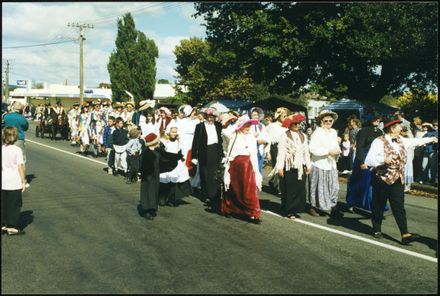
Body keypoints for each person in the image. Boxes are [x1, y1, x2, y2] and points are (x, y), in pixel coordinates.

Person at [365, 118, 437, 244]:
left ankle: (405, 234)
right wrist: (383, 160)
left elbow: (415, 141)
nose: (401, 128)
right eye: (399, 126)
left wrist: (431, 139)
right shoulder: (379, 141)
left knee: (399, 207)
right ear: (392, 128)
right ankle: (377, 228)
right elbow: (369, 160)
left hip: (397, 179)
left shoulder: (401, 140)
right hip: (382, 178)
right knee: (379, 204)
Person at [221, 115, 262, 224]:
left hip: (247, 166)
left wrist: (256, 169)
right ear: (241, 125)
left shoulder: (251, 137)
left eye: (249, 125)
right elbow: (224, 132)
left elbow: (253, 153)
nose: (248, 127)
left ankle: (252, 212)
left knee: (249, 189)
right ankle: (230, 208)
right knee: (233, 188)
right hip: (234, 164)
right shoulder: (233, 135)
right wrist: (232, 121)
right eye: (246, 125)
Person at [275, 114, 312, 219]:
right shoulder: (284, 135)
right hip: (289, 165)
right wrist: (280, 167)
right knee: (290, 187)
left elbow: (306, 152)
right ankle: (289, 210)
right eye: (294, 123)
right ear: (289, 125)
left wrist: (308, 165)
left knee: (300, 187)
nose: (297, 125)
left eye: (298, 123)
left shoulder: (303, 136)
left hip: (300, 164)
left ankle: (296, 208)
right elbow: (281, 152)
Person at [345, 114, 383, 212]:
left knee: (373, 184)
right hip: (364, 159)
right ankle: (352, 202)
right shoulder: (364, 130)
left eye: (378, 119)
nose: (377, 120)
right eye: (375, 118)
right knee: (360, 182)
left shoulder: (379, 132)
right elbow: (360, 147)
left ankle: (370, 205)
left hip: (375, 160)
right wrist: (362, 162)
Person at [309, 110, 343, 218]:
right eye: (326, 121)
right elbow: (312, 148)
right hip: (320, 163)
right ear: (321, 121)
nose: (328, 122)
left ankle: (333, 207)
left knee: (334, 187)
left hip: (331, 164)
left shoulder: (333, 132)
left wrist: (338, 151)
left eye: (330, 120)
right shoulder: (317, 132)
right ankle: (313, 207)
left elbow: (336, 146)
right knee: (318, 187)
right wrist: (327, 151)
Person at [191, 107, 223, 209]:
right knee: (204, 173)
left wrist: (222, 154)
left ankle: (214, 194)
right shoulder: (199, 126)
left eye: (212, 117)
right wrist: (194, 156)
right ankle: (206, 195)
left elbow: (221, 141)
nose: (210, 119)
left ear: (214, 117)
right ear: (205, 117)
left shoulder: (218, 126)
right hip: (204, 152)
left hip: (215, 151)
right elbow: (195, 142)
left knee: (214, 173)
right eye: (208, 117)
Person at [158, 124, 192, 206]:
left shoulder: (178, 142)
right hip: (166, 164)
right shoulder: (163, 141)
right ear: (168, 132)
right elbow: (161, 153)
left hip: (175, 164)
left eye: (175, 132)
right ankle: (162, 197)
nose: (174, 134)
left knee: (174, 181)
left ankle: (171, 199)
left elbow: (179, 153)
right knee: (164, 181)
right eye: (172, 132)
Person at [2, 127, 26, 235]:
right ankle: (11, 227)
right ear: (15, 136)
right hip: (14, 181)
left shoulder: (2, 148)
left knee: (3, 203)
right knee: (14, 205)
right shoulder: (17, 150)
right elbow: (20, 167)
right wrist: (23, 181)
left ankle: (2, 225)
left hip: (3, 179)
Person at [3, 101, 29, 188]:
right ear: (21, 109)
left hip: (6, 138)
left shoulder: (6, 116)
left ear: (13, 108)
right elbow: (26, 127)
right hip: (19, 139)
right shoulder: (22, 118)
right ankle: (22, 180)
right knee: (21, 160)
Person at [265, 107, 289, 194]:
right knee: (278, 167)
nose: (286, 118)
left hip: (285, 149)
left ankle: (274, 182)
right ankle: (280, 189)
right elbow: (268, 139)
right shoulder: (272, 126)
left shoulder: (287, 126)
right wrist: (267, 152)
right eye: (284, 116)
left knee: (284, 168)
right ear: (279, 116)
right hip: (275, 148)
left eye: (287, 116)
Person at [139, 133, 161, 220]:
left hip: (155, 175)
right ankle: (146, 210)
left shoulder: (157, 151)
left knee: (154, 192)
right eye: (157, 141)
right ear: (153, 143)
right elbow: (144, 166)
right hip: (148, 176)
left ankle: (152, 208)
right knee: (147, 192)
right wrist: (147, 176)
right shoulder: (147, 153)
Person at [249, 107, 270, 173]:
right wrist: (253, 137)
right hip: (251, 152)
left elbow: (267, 137)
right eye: (254, 115)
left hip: (260, 151)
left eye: (257, 115)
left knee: (259, 170)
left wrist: (264, 141)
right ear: (250, 116)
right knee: (252, 171)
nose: (256, 116)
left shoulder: (262, 126)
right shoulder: (248, 125)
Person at [421, 120, 438, 185]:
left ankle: (432, 180)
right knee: (424, 166)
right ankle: (426, 180)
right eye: (434, 125)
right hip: (426, 151)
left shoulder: (437, 133)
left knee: (432, 167)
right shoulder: (428, 132)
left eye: (436, 125)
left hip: (433, 151)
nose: (435, 126)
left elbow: (435, 141)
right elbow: (423, 139)